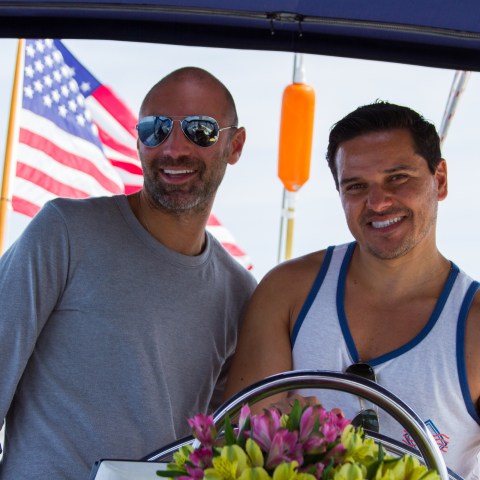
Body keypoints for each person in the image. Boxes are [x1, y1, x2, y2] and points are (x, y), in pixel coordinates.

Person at [0, 66, 257, 479]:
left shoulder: (240, 294)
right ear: (138, 140)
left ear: (235, 144)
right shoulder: (64, 232)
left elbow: (216, 449)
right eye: (155, 130)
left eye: (200, 130)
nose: (174, 148)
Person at [224, 101, 480, 479]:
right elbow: (233, 446)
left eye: (398, 178)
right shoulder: (288, 291)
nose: (377, 203)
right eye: (357, 186)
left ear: (439, 180)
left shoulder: (473, 322)